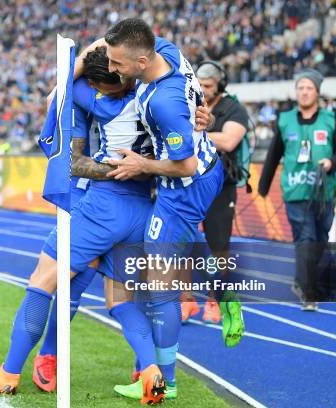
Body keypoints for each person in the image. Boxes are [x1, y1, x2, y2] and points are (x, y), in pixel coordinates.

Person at [0, 44, 213, 404]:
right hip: (144, 206)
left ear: (108, 83)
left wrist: (79, 60)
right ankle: (151, 372)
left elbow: (60, 93)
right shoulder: (154, 95)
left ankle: (7, 372)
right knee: (121, 300)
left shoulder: (101, 101)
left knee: (41, 281)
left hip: (103, 205)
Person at [99, 17, 245, 401]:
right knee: (177, 253)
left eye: (118, 64)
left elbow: (185, 166)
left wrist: (140, 165)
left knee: (159, 284)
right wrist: (203, 114)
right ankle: (224, 291)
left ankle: (165, 382)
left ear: (143, 62)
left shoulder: (163, 101)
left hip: (185, 185)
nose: (112, 69)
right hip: (206, 167)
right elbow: (195, 107)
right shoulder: (167, 50)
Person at [258, 68, 336, 311]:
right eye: (300, 88)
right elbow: (273, 154)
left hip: (324, 193)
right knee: (306, 237)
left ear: (317, 92)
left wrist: (332, 162)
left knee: (320, 238)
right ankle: (309, 293)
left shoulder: (331, 120)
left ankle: (303, 281)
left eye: (309, 88)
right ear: (296, 91)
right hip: (295, 191)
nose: (304, 92)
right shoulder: (284, 119)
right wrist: (263, 185)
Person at [177, 61, 250, 324]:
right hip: (190, 181)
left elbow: (230, 141)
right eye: (200, 84)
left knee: (219, 246)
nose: (203, 90)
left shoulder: (234, 109)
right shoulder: (188, 101)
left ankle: (215, 300)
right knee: (184, 242)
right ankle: (187, 300)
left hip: (221, 185)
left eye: (208, 85)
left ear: (220, 84)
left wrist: (196, 133)